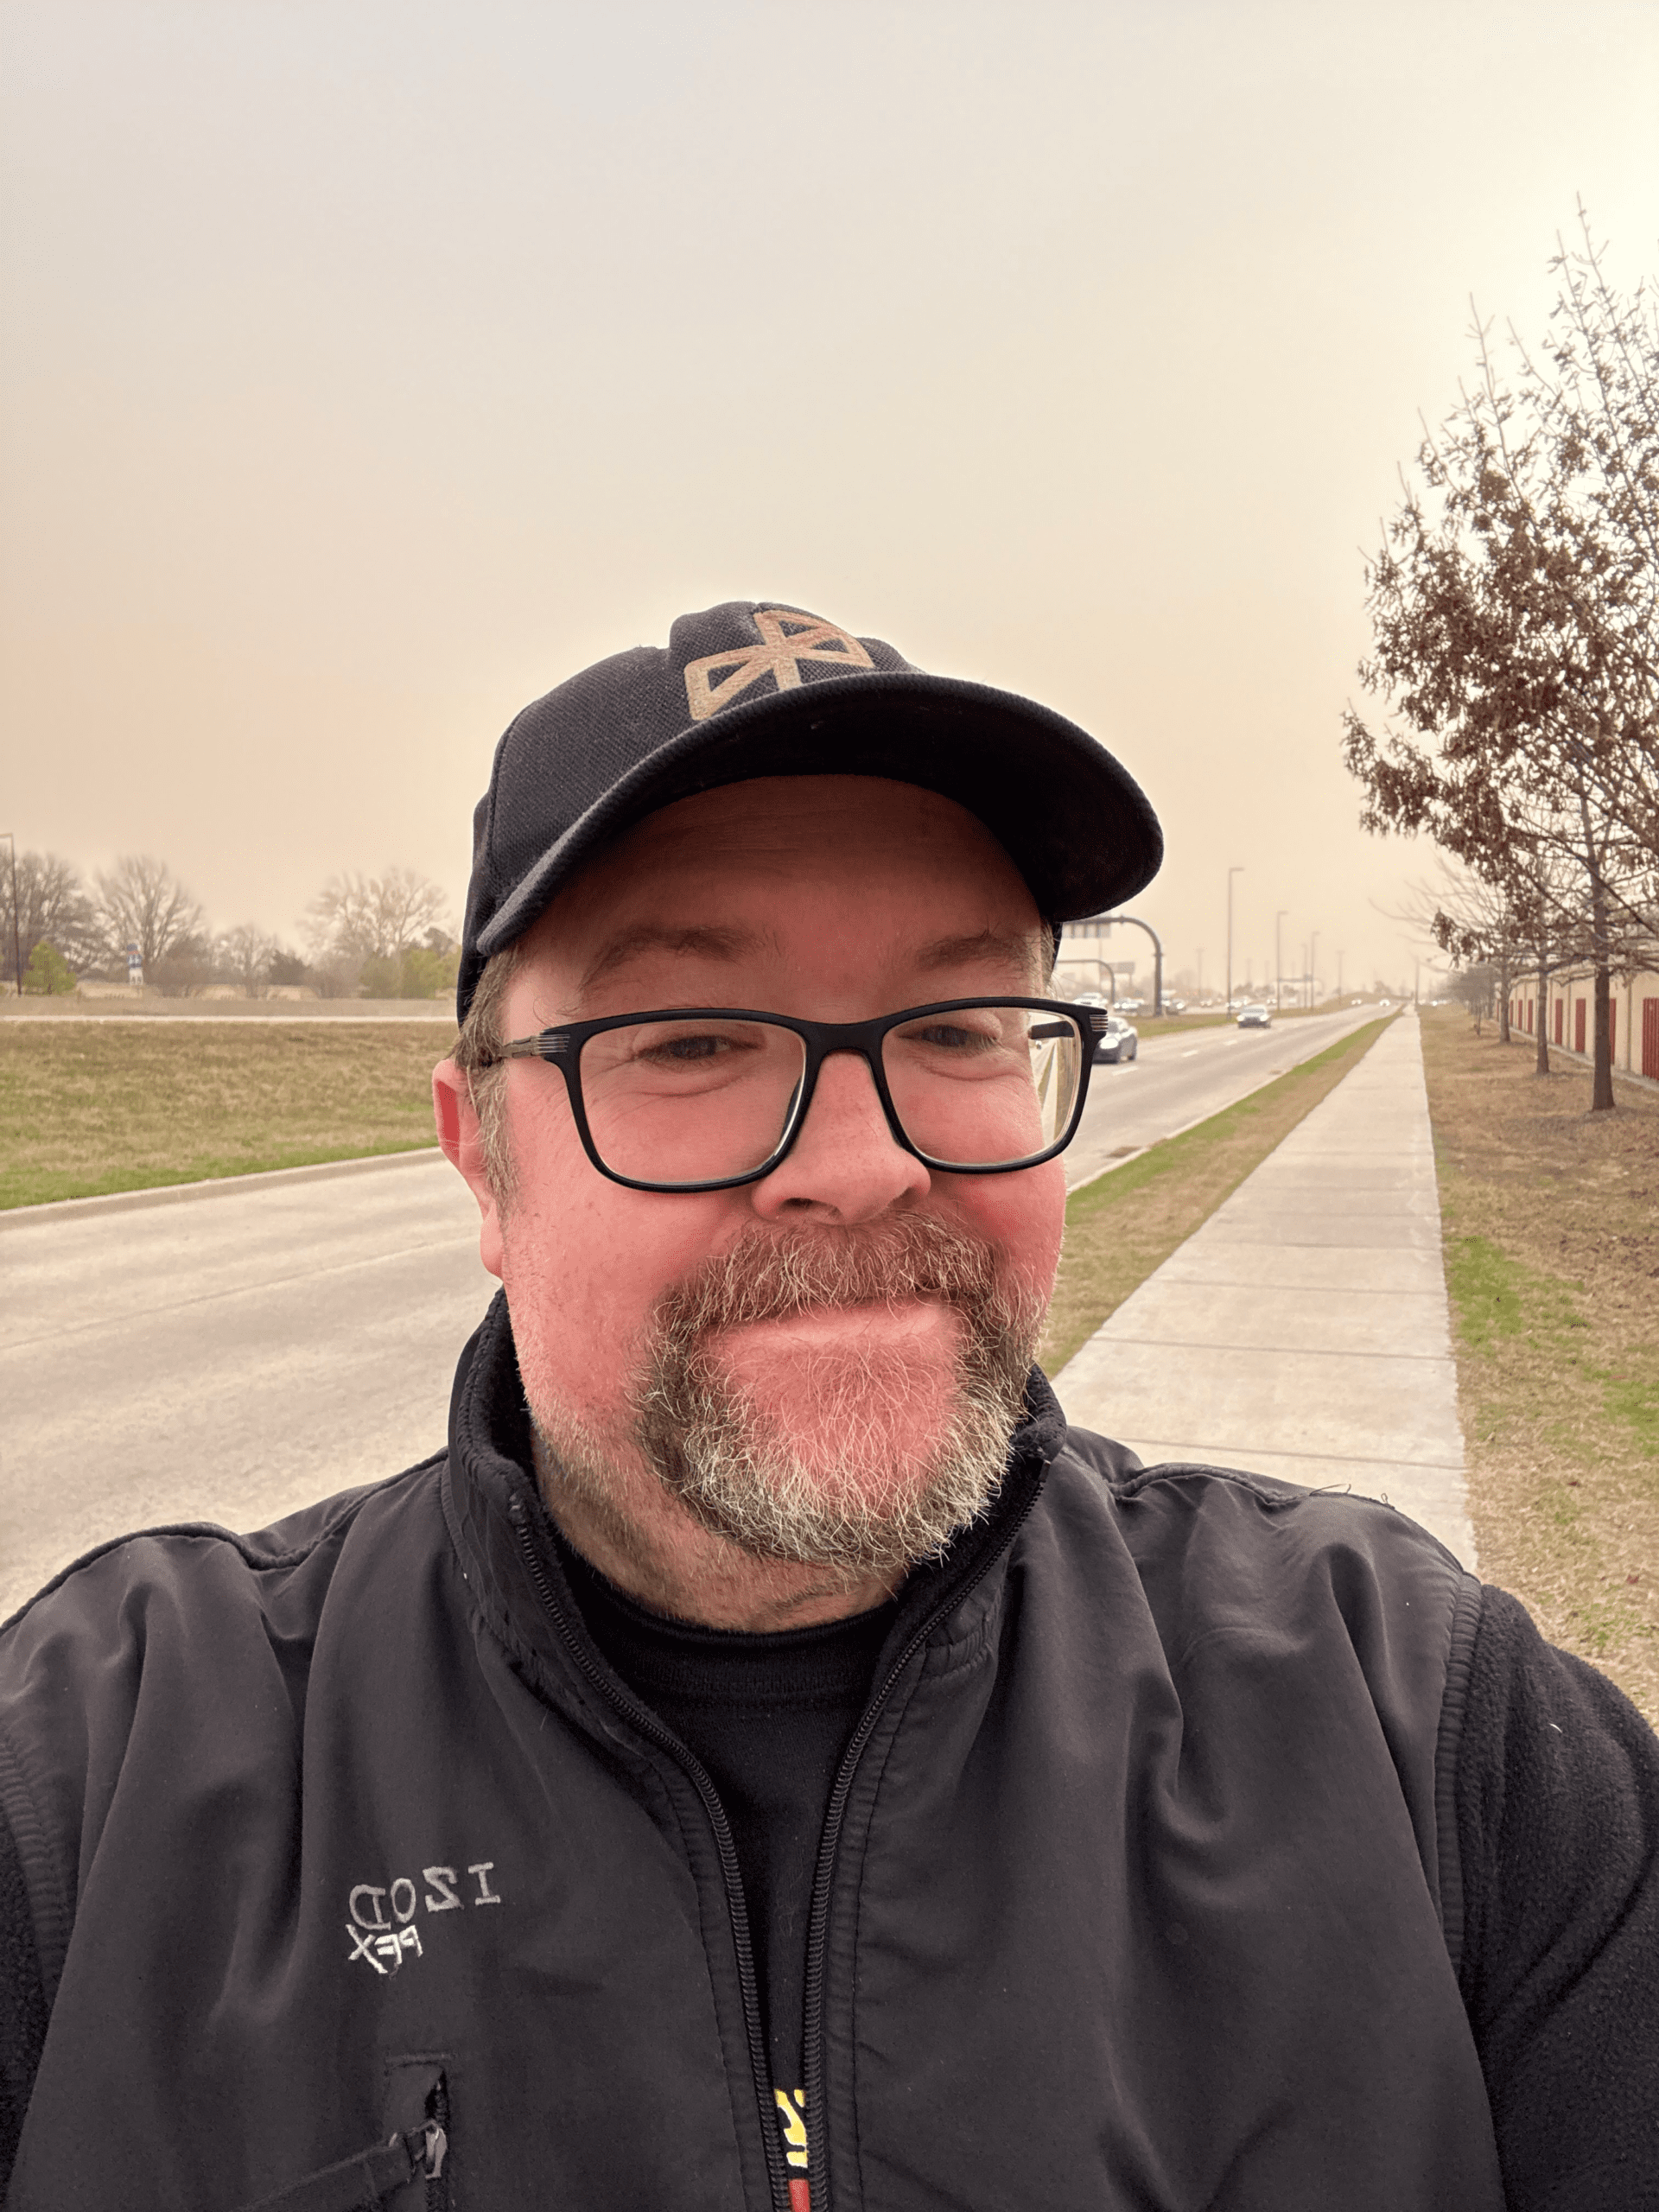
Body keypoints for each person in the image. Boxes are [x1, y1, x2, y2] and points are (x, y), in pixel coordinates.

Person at [1, 601, 1655, 2211]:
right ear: (477, 1157)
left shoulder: (1427, 1735)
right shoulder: (100, 1786)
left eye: (953, 1026)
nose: (864, 1168)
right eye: (695, 1038)